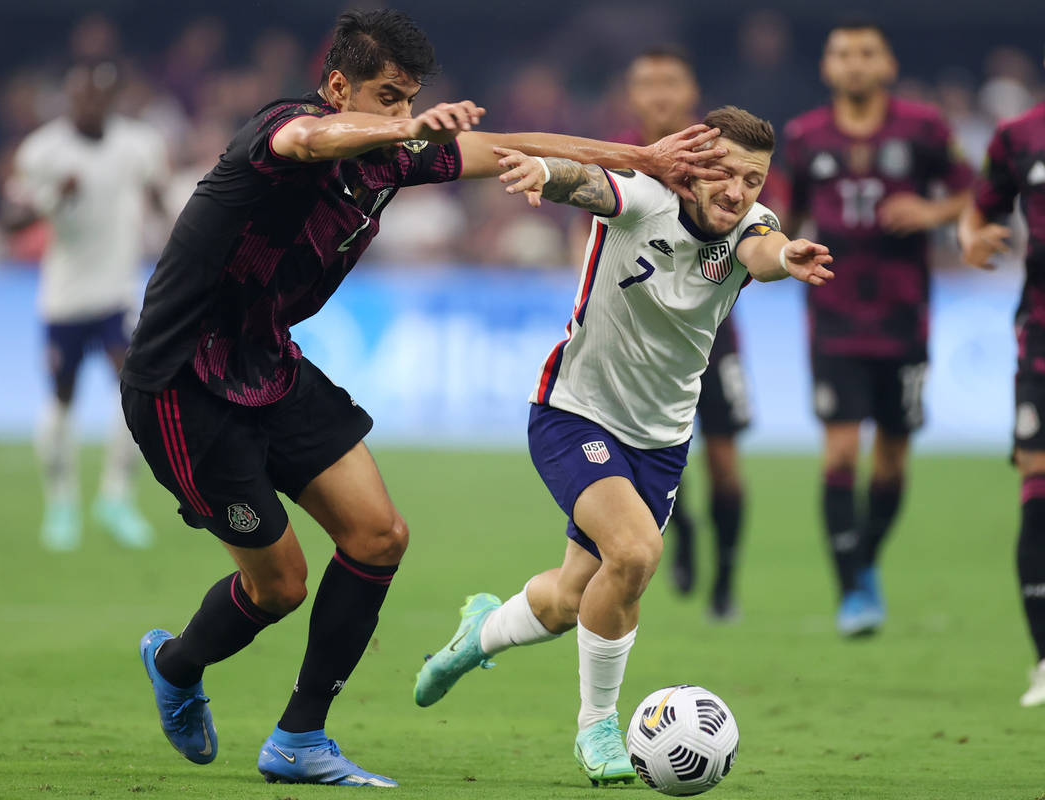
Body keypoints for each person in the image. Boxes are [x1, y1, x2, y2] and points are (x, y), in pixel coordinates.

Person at [120, 9, 727, 788]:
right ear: (338, 86)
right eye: (385, 96)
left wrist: (640, 157)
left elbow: (514, 146)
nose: (400, 116)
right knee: (280, 586)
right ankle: (176, 664)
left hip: (268, 365)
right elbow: (314, 140)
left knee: (379, 538)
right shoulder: (284, 130)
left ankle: (301, 738)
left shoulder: (390, 156)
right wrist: (384, 130)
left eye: (409, 99)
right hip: (182, 383)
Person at [414, 106, 834, 786]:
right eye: (723, 172)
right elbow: (588, 184)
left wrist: (787, 256)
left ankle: (479, 634)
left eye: (752, 180)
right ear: (694, 165)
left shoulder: (747, 234)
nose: (735, 190)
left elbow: (763, 251)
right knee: (636, 552)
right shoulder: (645, 201)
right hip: (574, 412)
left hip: (661, 441)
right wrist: (545, 173)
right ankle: (597, 727)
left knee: (570, 600)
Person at [783, 21, 972, 636]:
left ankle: (864, 561)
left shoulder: (924, 129)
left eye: (866, 53)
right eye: (843, 53)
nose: (855, 64)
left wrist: (933, 210)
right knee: (840, 448)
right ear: (827, 67)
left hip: (904, 316)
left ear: (887, 64)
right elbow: (782, 215)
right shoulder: (805, 137)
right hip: (832, 317)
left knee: (891, 456)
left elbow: (975, 196)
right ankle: (853, 589)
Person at [616, 45, 756, 619]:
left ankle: (725, 580)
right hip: (639, 340)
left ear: (691, 90)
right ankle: (685, 528)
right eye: (647, 83)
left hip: (712, 338)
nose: (660, 94)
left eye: (670, 82)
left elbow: (755, 223)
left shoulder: (723, 160)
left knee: (723, 459)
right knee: (656, 449)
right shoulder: (622, 157)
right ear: (632, 95)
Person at [6, 61, 169, 551]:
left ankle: (115, 498)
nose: (93, 106)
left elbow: (161, 200)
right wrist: (54, 197)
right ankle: (61, 504)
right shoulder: (43, 151)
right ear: (69, 99)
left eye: (102, 97)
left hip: (117, 291)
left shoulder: (139, 145)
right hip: (64, 297)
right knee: (62, 398)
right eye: (83, 97)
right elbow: (10, 219)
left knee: (137, 391)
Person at [958, 89, 1045, 706]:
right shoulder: (1017, 137)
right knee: (1037, 480)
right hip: (1041, 336)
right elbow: (979, 210)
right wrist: (971, 238)